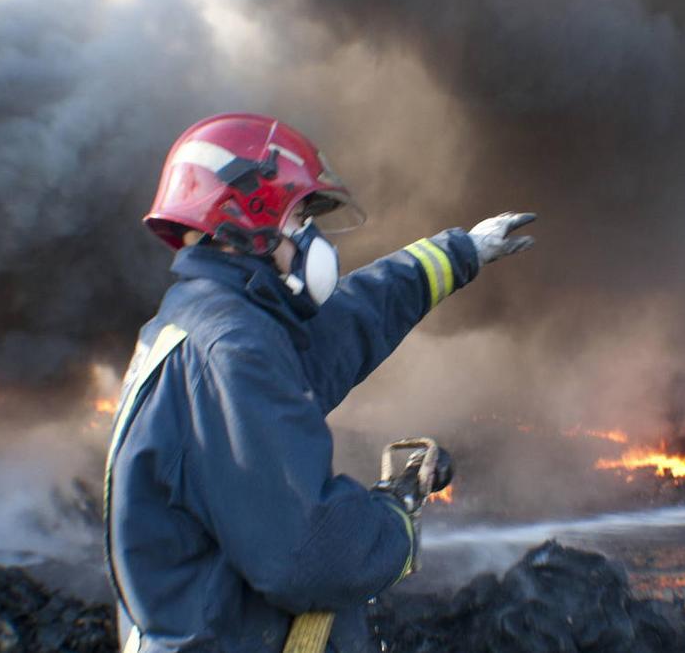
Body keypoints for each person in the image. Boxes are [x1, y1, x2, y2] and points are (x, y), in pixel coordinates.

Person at [104, 113, 534, 653]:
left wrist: (460, 252)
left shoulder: (211, 321)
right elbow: (311, 556)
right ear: (248, 218)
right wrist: (395, 512)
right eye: (301, 214)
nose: (312, 235)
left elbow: (345, 326)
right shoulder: (230, 351)